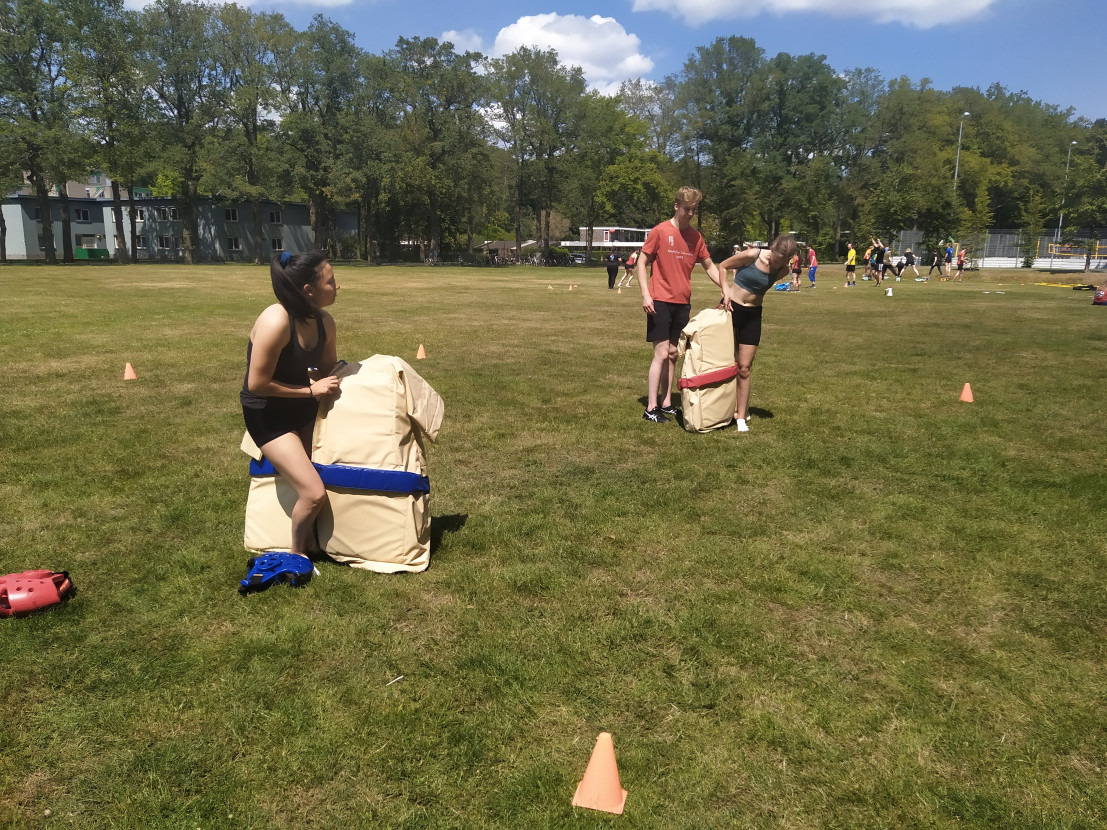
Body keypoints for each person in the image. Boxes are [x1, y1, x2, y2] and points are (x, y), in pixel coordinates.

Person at [241, 250, 341, 556]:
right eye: (331, 281)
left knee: (328, 468)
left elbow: (326, 371)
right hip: (267, 414)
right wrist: (311, 392)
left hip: (303, 406)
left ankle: (320, 539)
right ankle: (298, 555)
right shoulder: (275, 320)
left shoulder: (325, 322)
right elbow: (257, 384)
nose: (338, 286)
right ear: (309, 290)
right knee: (312, 492)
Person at [636, 186, 725, 423]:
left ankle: (666, 403)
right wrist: (646, 295)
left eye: (694, 210)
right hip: (660, 300)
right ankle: (651, 407)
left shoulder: (696, 238)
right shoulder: (660, 231)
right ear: (677, 206)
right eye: (687, 209)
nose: (690, 214)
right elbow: (641, 262)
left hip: (682, 302)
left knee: (674, 353)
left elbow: (709, 266)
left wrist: (725, 288)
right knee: (661, 353)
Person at [716, 234, 798, 433]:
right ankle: (718, 409)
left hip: (753, 315)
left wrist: (782, 265)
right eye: (778, 258)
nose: (779, 263)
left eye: (785, 261)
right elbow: (723, 266)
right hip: (730, 310)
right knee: (724, 363)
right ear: (772, 248)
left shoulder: (783, 270)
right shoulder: (753, 255)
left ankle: (741, 417)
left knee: (744, 367)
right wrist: (725, 291)